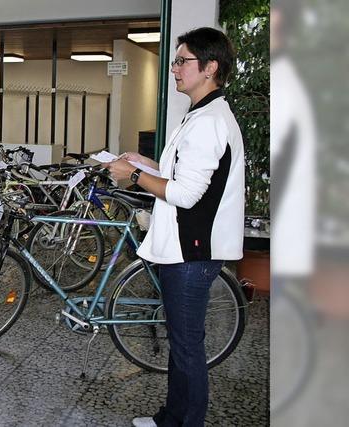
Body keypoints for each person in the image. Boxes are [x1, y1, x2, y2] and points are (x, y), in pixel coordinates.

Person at [103, 27, 245, 427]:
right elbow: (186, 178)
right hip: (187, 248)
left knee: (186, 347)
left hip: (192, 251)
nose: (175, 69)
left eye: (182, 61)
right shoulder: (202, 114)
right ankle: (171, 417)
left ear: (210, 67)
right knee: (181, 342)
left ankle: (185, 422)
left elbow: (185, 196)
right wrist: (148, 167)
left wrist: (132, 176)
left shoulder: (209, 121)